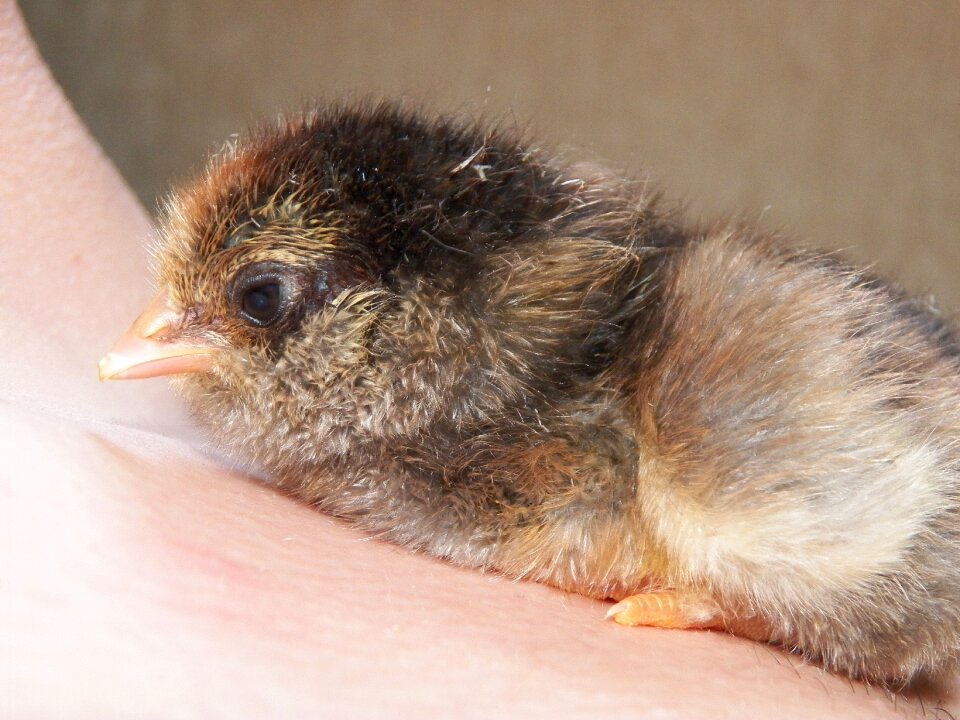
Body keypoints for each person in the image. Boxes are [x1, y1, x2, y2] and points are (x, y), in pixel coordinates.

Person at [3, 2, 955, 716]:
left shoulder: (637, 380)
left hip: (865, 489)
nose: (162, 330)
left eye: (259, 300)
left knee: (731, 433)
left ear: (407, 314)